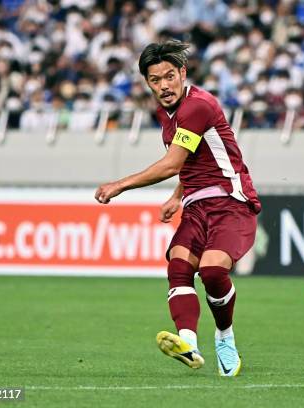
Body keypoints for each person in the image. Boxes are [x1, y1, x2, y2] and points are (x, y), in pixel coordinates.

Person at [94, 40, 260, 377]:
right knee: (179, 266)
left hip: (230, 202)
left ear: (183, 73)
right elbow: (189, 161)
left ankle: (224, 337)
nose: (164, 86)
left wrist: (120, 184)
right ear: (147, 83)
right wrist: (176, 196)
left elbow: (172, 163)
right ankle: (188, 344)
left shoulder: (197, 106)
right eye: (155, 80)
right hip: (196, 203)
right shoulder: (165, 112)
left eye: (170, 76)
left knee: (213, 272)